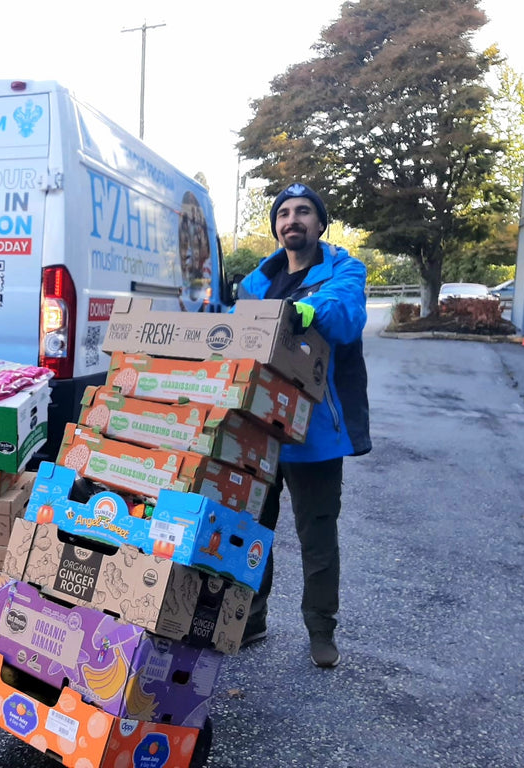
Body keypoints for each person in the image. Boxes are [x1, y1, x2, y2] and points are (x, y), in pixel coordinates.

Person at [236, 183, 371, 668]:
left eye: (304, 212)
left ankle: (321, 629)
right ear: (276, 226)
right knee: (252, 530)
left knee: (317, 537)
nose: (293, 220)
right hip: (259, 431)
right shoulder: (255, 283)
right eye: (284, 213)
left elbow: (347, 313)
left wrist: (311, 309)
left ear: (320, 224)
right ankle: (249, 619)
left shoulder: (343, 269)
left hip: (315, 434)